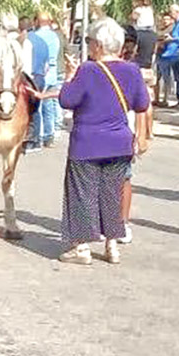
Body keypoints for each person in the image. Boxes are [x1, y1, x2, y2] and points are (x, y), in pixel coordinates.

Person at [57, 17, 150, 265]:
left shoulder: (88, 70)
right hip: (119, 142)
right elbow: (142, 104)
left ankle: (82, 248)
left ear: (98, 44)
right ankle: (111, 244)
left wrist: (69, 75)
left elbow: (67, 100)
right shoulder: (132, 70)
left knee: (81, 193)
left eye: (89, 41)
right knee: (112, 193)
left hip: (87, 142)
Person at [31, 10, 63, 148]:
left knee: (37, 106)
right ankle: (49, 136)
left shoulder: (35, 37)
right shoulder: (55, 37)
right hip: (53, 73)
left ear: (37, 21)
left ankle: (38, 136)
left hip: (40, 73)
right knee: (49, 106)